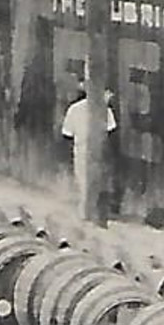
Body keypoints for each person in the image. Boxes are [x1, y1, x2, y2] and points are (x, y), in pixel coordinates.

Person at [60, 85, 116, 223]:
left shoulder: (74, 109)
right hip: (97, 152)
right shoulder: (104, 110)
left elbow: (67, 134)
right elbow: (111, 132)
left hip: (82, 150)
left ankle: (85, 215)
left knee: (84, 184)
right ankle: (92, 216)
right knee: (96, 184)